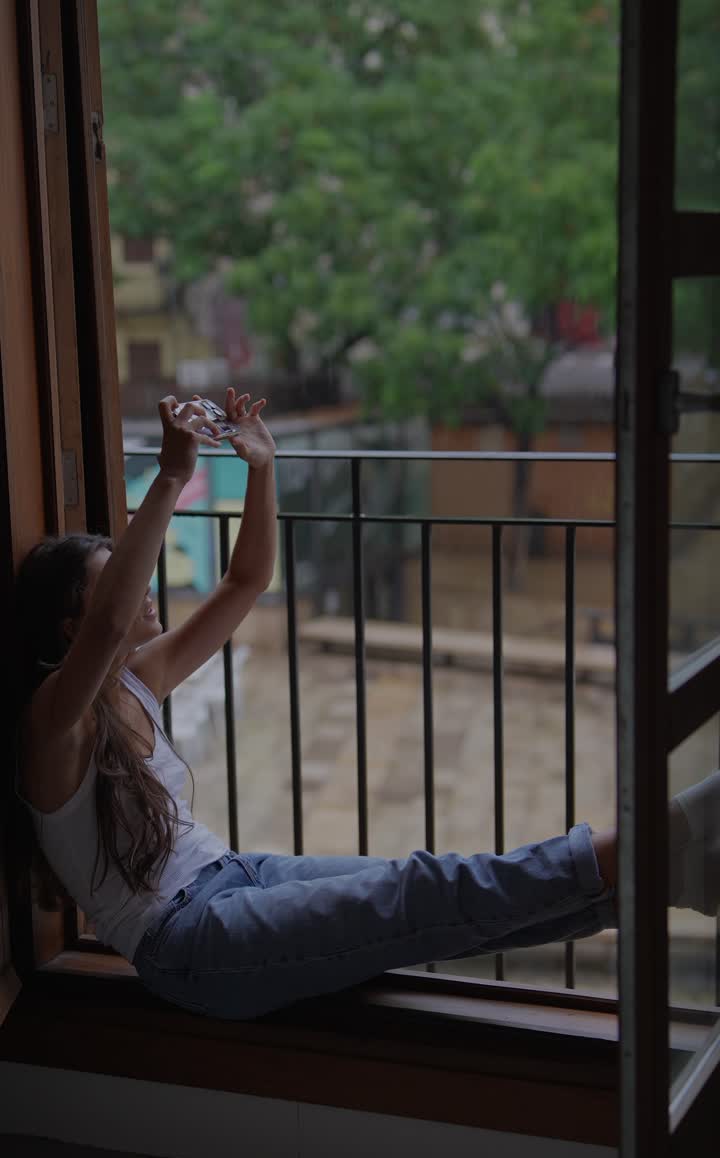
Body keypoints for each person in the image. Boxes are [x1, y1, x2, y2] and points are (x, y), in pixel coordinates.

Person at [11, 389, 718, 1023]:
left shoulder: (137, 679)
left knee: (427, 900)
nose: (147, 594)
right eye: (118, 589)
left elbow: (248, 580)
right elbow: (108, 624)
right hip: (191, 944)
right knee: (418, 894)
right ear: (72, 628)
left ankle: (661, 877)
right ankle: (656, 838)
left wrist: (261, 467)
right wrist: (170, 475)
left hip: (237, 874)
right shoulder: (53, 725)